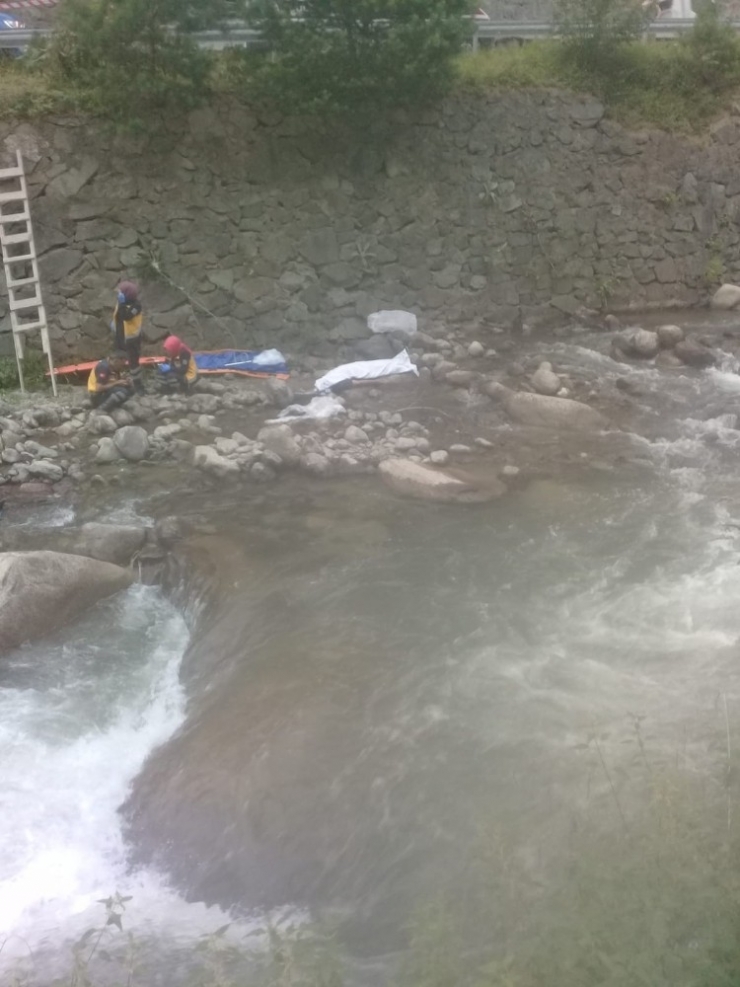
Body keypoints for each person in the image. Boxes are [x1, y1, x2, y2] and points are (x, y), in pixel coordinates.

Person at [111, 280, 144, 393]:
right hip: (120, 337)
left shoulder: (136, 305)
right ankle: (117, 384)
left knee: (133, 363)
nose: (118, 294)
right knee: (117, 360)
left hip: (132, 339)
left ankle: (139, 386)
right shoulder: (120, 302)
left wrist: (122, 304)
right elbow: (118, 315)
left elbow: (126, 316)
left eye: (121, 292)